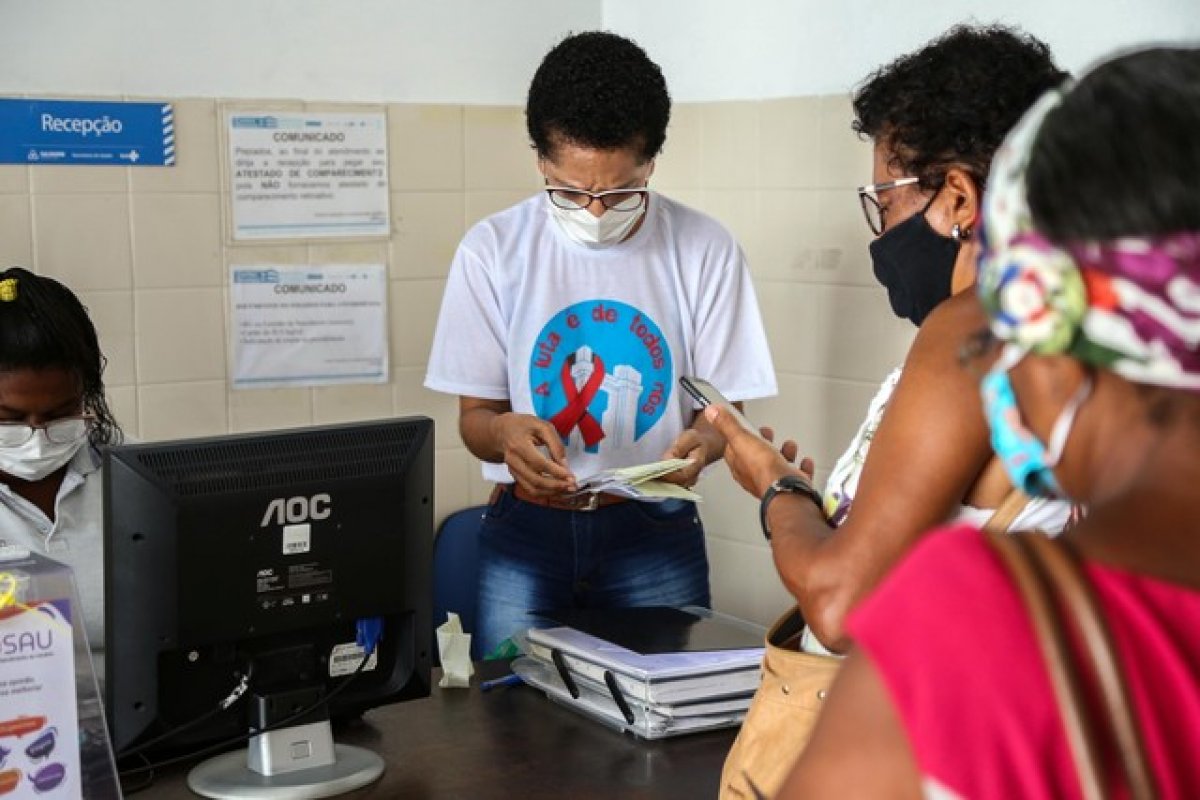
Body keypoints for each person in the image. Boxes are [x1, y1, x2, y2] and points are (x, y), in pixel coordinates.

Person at [774, 45, 1200, 798]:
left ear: (1060, 329)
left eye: (1007, 308)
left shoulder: (981, 611)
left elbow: (842, 610)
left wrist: (779, 493)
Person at [709, 25, 1070, 652]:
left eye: (886, 202)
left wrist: (776, 488)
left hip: (936, 733)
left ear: (959, 197)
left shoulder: (976, 327)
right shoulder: (1084, 319)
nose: (881, 232)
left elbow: (843, 606)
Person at [424, 31, 776, 655]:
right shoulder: (492, 251)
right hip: (525, 528)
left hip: (653, 531)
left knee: (667, 718)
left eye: (618, 193)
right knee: (511, 725)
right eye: (568, 191)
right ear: (539, 159)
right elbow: (475, 418)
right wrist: (504, 436)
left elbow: (725, 414)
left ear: (652, 162)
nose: (592, 211)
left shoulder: (704, 248)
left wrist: (709, 441)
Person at [0, 267, 122, 650]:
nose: (37, 438)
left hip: (132, 708)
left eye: (60, 414)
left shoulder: (141, 477)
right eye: (10, 419)